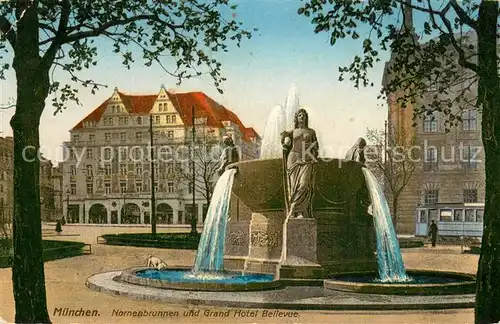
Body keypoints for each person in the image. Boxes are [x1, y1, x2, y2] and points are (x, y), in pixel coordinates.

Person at [281, 108, 319, 219]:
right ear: (296, 118)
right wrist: (285, 141)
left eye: (304, 115)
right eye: (299, 115)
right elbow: (284, 143)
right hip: (293, 157)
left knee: (304, 184)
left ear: (306, 118)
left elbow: (316, 146)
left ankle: (295, 208)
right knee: (293, 185)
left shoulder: (311, 132)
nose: (302, 117)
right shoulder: (292, 132)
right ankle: (298, 213)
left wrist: (312, 150)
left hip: (307, 158)